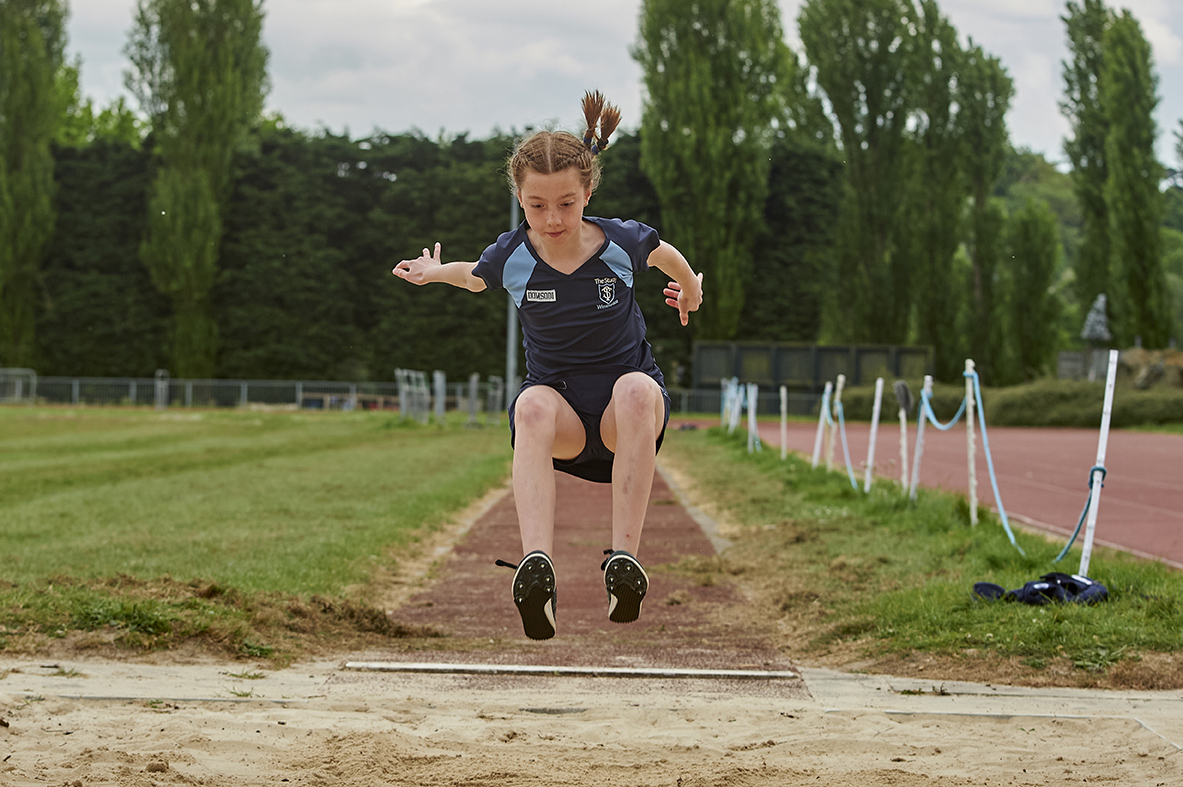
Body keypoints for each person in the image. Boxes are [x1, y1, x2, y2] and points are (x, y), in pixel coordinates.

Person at [392, 91, 703, 640]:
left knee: (634, 388)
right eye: (536, 206)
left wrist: (691, 293)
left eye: (566, 204)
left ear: (588, 192)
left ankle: (624, 564)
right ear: (519, 196)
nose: (552, 218)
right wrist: (432, 272)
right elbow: (473, 275)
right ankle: (537, 568)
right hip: (560, 417)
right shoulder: (513, 254)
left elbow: (669, 256)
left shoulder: (621, 243)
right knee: (529, 404)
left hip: (622, 417)